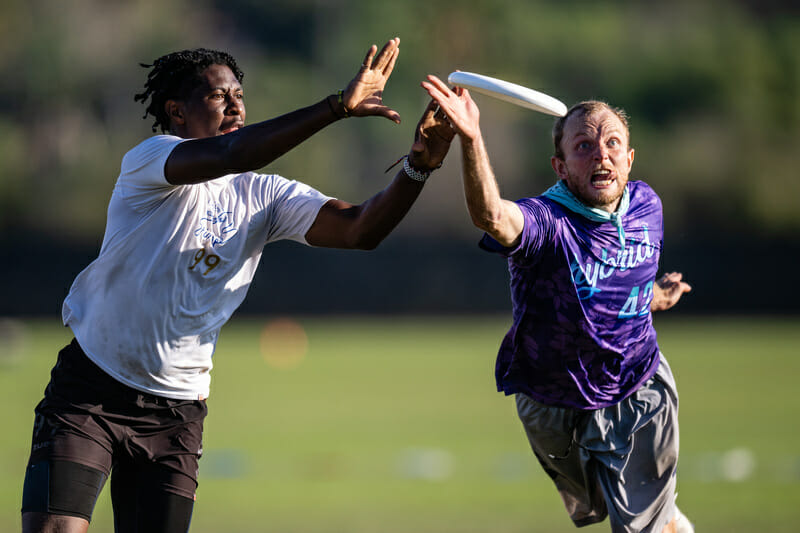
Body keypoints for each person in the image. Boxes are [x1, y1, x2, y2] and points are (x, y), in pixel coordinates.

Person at [21, 39, 455, 533]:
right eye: (217, 96)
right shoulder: (152, 161)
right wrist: (336, 107)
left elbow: (361, 230)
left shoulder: (264, 196)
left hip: (176, 414)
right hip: (90, 393)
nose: (235, 105)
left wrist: (419, 165)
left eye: (240, 96)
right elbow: (231, 152)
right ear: (176, 112)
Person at [422, 75, 693, 533]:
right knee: (594, 508)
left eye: (611, 143)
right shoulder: (547, 223)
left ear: (628, 159)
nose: (601, 154)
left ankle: (661, 520)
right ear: (561, 167)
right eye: (584, 146)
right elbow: (491, 216)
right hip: (550, 400)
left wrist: (652, 298)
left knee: (641, 527)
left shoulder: (648, 206)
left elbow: (619, 279)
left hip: (636, 388)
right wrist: (471, 138)